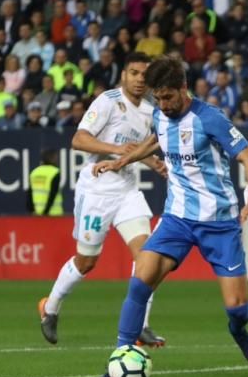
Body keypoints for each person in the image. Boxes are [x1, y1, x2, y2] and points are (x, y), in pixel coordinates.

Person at [90, 56, 248, 377]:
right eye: (158, 98)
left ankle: (239, 330)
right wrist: (120, 161)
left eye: (169, 96)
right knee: (141, 276)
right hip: (177, 219)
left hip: (220, 222)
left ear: (184, 89)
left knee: (237, 306)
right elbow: (154, 140)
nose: (163, 104)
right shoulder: (160, 113)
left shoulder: (209, 118)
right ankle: (119, 358)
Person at [39, 53, 167, 349]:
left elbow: (139, 149)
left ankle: (141, 325)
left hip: (127, 191)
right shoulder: (107, 101)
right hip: (97, 190)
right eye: (133, 73)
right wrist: (117, 149)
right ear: (124, 74)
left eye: (144, 75)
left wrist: (154, 164)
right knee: (86, 261)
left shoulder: (149, 111)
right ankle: (51, 306)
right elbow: (79, 140)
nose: (138, 80)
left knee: (148, 256)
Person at [27, 149, 62, 216]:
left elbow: (29, 194)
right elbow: (52, 194)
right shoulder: (55, 172)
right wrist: (45, 212)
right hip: (53, 214)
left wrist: (32, 211)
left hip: (36, 214)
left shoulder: (34, 172)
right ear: (53, 158)